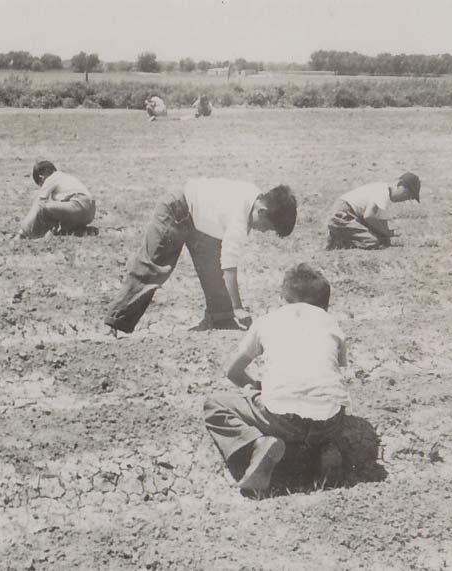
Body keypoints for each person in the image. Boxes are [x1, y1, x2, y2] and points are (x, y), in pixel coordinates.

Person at [204, 263, 349, 493]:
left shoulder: (267, 320)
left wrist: (256, 389)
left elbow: (233, 372)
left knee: (215, 404)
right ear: (325, 305)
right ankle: (325, 448)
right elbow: (336, 369)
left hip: (282, 419)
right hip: (330, 421)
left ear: (283, 298)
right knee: (325, 403)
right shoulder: (331, 322)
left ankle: (258, 443)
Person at [104, 178, 297, 335]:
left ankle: (221, 318)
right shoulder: (238, 219)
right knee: (154, 266)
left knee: (212, 269)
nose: (263, 231)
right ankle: (115, 322)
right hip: (176, 209)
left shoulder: (255, 197)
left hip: (200, 221)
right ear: (262, 211)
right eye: (267, 227)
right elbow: (229, 267)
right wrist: (238, 307)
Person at [326, 172, 421, 250]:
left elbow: (379, 221)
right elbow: (369, 216)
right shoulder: (383, 191)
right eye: (407, 194)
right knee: (372, 241)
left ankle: (340, 235)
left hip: (351, 214)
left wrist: (389, 234)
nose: (406, 198)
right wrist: (387, 233)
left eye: (411, 198)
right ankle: (338, 241)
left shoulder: (385, 195)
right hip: (342, 214)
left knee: (383, 240)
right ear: (399, 184)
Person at [17, 160, 96, 239]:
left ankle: (23, 235)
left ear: (41, 176)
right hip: (90, 211)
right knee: (61, 228)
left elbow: (40, 202)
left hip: (78, 205)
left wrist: (23, 231)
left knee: (42, 207)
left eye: (41, 184)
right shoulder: (65, 177)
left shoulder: (52, 178)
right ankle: (81, 231)